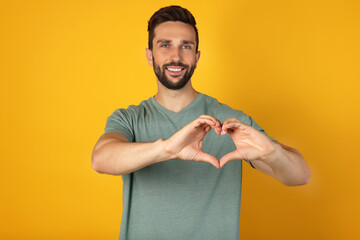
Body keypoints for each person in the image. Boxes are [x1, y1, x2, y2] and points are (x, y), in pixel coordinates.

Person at [92, 5, 310, 240]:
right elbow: (101, 159)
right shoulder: (129, 118)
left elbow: (300, 176)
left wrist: (272, 152)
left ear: (197, 56)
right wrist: (167, 149)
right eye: (165, 45)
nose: (176, 56)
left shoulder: (231, 123)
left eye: (186, 46)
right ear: (149, 55)